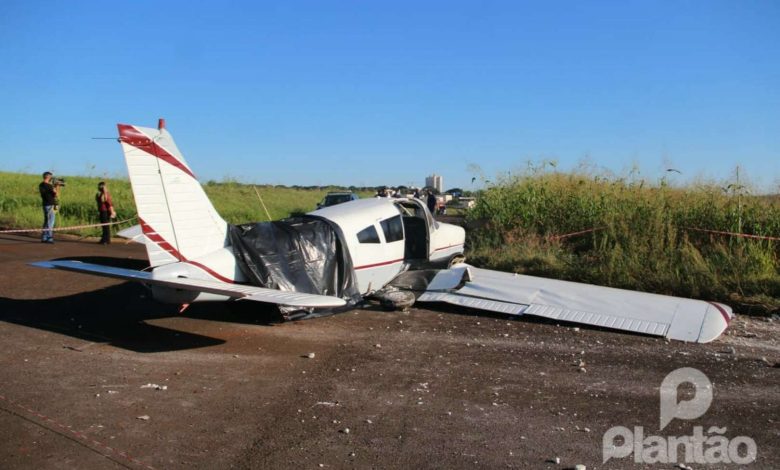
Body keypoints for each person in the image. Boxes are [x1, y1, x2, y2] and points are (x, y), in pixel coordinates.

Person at [39, 171, 59, 243]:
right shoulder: (49, 186)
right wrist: (57, 186)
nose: (51, 178)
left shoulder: (41, 185)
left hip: (45, 204)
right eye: (51, 176)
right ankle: (49, 237)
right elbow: (56, 195)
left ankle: (44, 237)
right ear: (48, 177)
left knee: (46, 221)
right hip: (50, 204)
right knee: (50, 221)